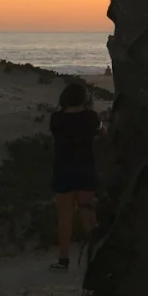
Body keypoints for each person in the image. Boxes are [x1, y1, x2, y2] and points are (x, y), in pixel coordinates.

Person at [49, 81, 102, 272]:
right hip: (85, 168)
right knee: (88, 214)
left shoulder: (56, 118)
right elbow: (101, 132)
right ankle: (96, 257)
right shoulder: (90, 117)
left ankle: (63, 259)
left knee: (65, 217)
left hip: (63, 169)